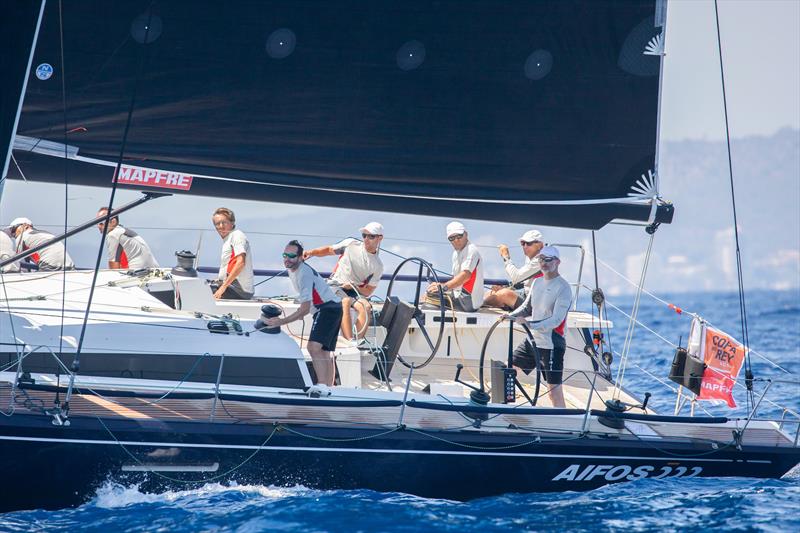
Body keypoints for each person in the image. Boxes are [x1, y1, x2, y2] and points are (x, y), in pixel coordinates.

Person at [265, 240, 343, 386]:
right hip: (332, 307)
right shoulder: (292, 269)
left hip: (327, 308)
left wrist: (280, 321)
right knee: (325, 352)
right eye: (285, 255)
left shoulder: (303, 273)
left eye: (291, 256)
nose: (287, 259)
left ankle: (321, 386)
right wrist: (300, 311)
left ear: (301, 258)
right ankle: (328, 387)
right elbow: (305, 303)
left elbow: (305, 309)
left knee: (313, 347)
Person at [507, 246, 571, 408]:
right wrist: (510, 315)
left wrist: (530, 324)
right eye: (541, 259)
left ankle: (565, 424)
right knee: (507, 372)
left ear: (558, 262)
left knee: (553, 393)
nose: (544, 263)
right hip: (532, 340)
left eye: (548, 260)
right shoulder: (536, 282)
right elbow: (527, 308)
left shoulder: (564, 288)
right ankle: (504, 410)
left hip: (551, 345)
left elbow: (557, 320)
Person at [303, 222, 384, 340]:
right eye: (364, 235)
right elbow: (329, 250)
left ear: (380, 238)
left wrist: (353, 287)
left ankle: (357, 341)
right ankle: (349, 341)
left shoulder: (378, 266)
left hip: (353, 290)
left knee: (365, 307)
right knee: (345, 302)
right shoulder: (350, 244)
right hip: (335, 284)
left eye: (371, 236)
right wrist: (311, 252)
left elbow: (368, 291)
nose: (366, 239)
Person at [426, 221, 484, 312]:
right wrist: (440, 285)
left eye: (459, 236)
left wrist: (443, 287)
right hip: (458, 296)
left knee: (429, 300)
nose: (456, 240)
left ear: (466, 234)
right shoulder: (455, 254)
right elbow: (456, 279)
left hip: (469, 301)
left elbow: (465, 275)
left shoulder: (471, 250)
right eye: (452, 238)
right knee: (428, 295)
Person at [483, 229, 544, 310]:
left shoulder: (541, 260)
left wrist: (506, 257)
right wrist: (508, 287)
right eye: (523, 243)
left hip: (536, 304)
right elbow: (524, 280)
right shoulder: (530, 257)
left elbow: (516, 277)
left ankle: (477, 306)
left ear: (540, 245)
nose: (525, 246)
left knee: (504, 294)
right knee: (491, 293)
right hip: (527, 296)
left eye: (529, 243)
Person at [210, 207, 254, 300]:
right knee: (203, 285)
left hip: (239, 290)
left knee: (199, 292)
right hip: (233, 287)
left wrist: (223, 287)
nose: (221, 226)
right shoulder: (229, 239)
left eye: (224, 222)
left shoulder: (237, 236)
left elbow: (240, 263)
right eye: (217, 223)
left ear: (232, 222)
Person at [9, 217, 75, 271]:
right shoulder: (45, 234)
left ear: (25, 226)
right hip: (69, 266)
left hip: (50, 265)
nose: (13, 235)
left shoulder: (23, 235)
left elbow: (19, 262)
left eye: (13, 230)